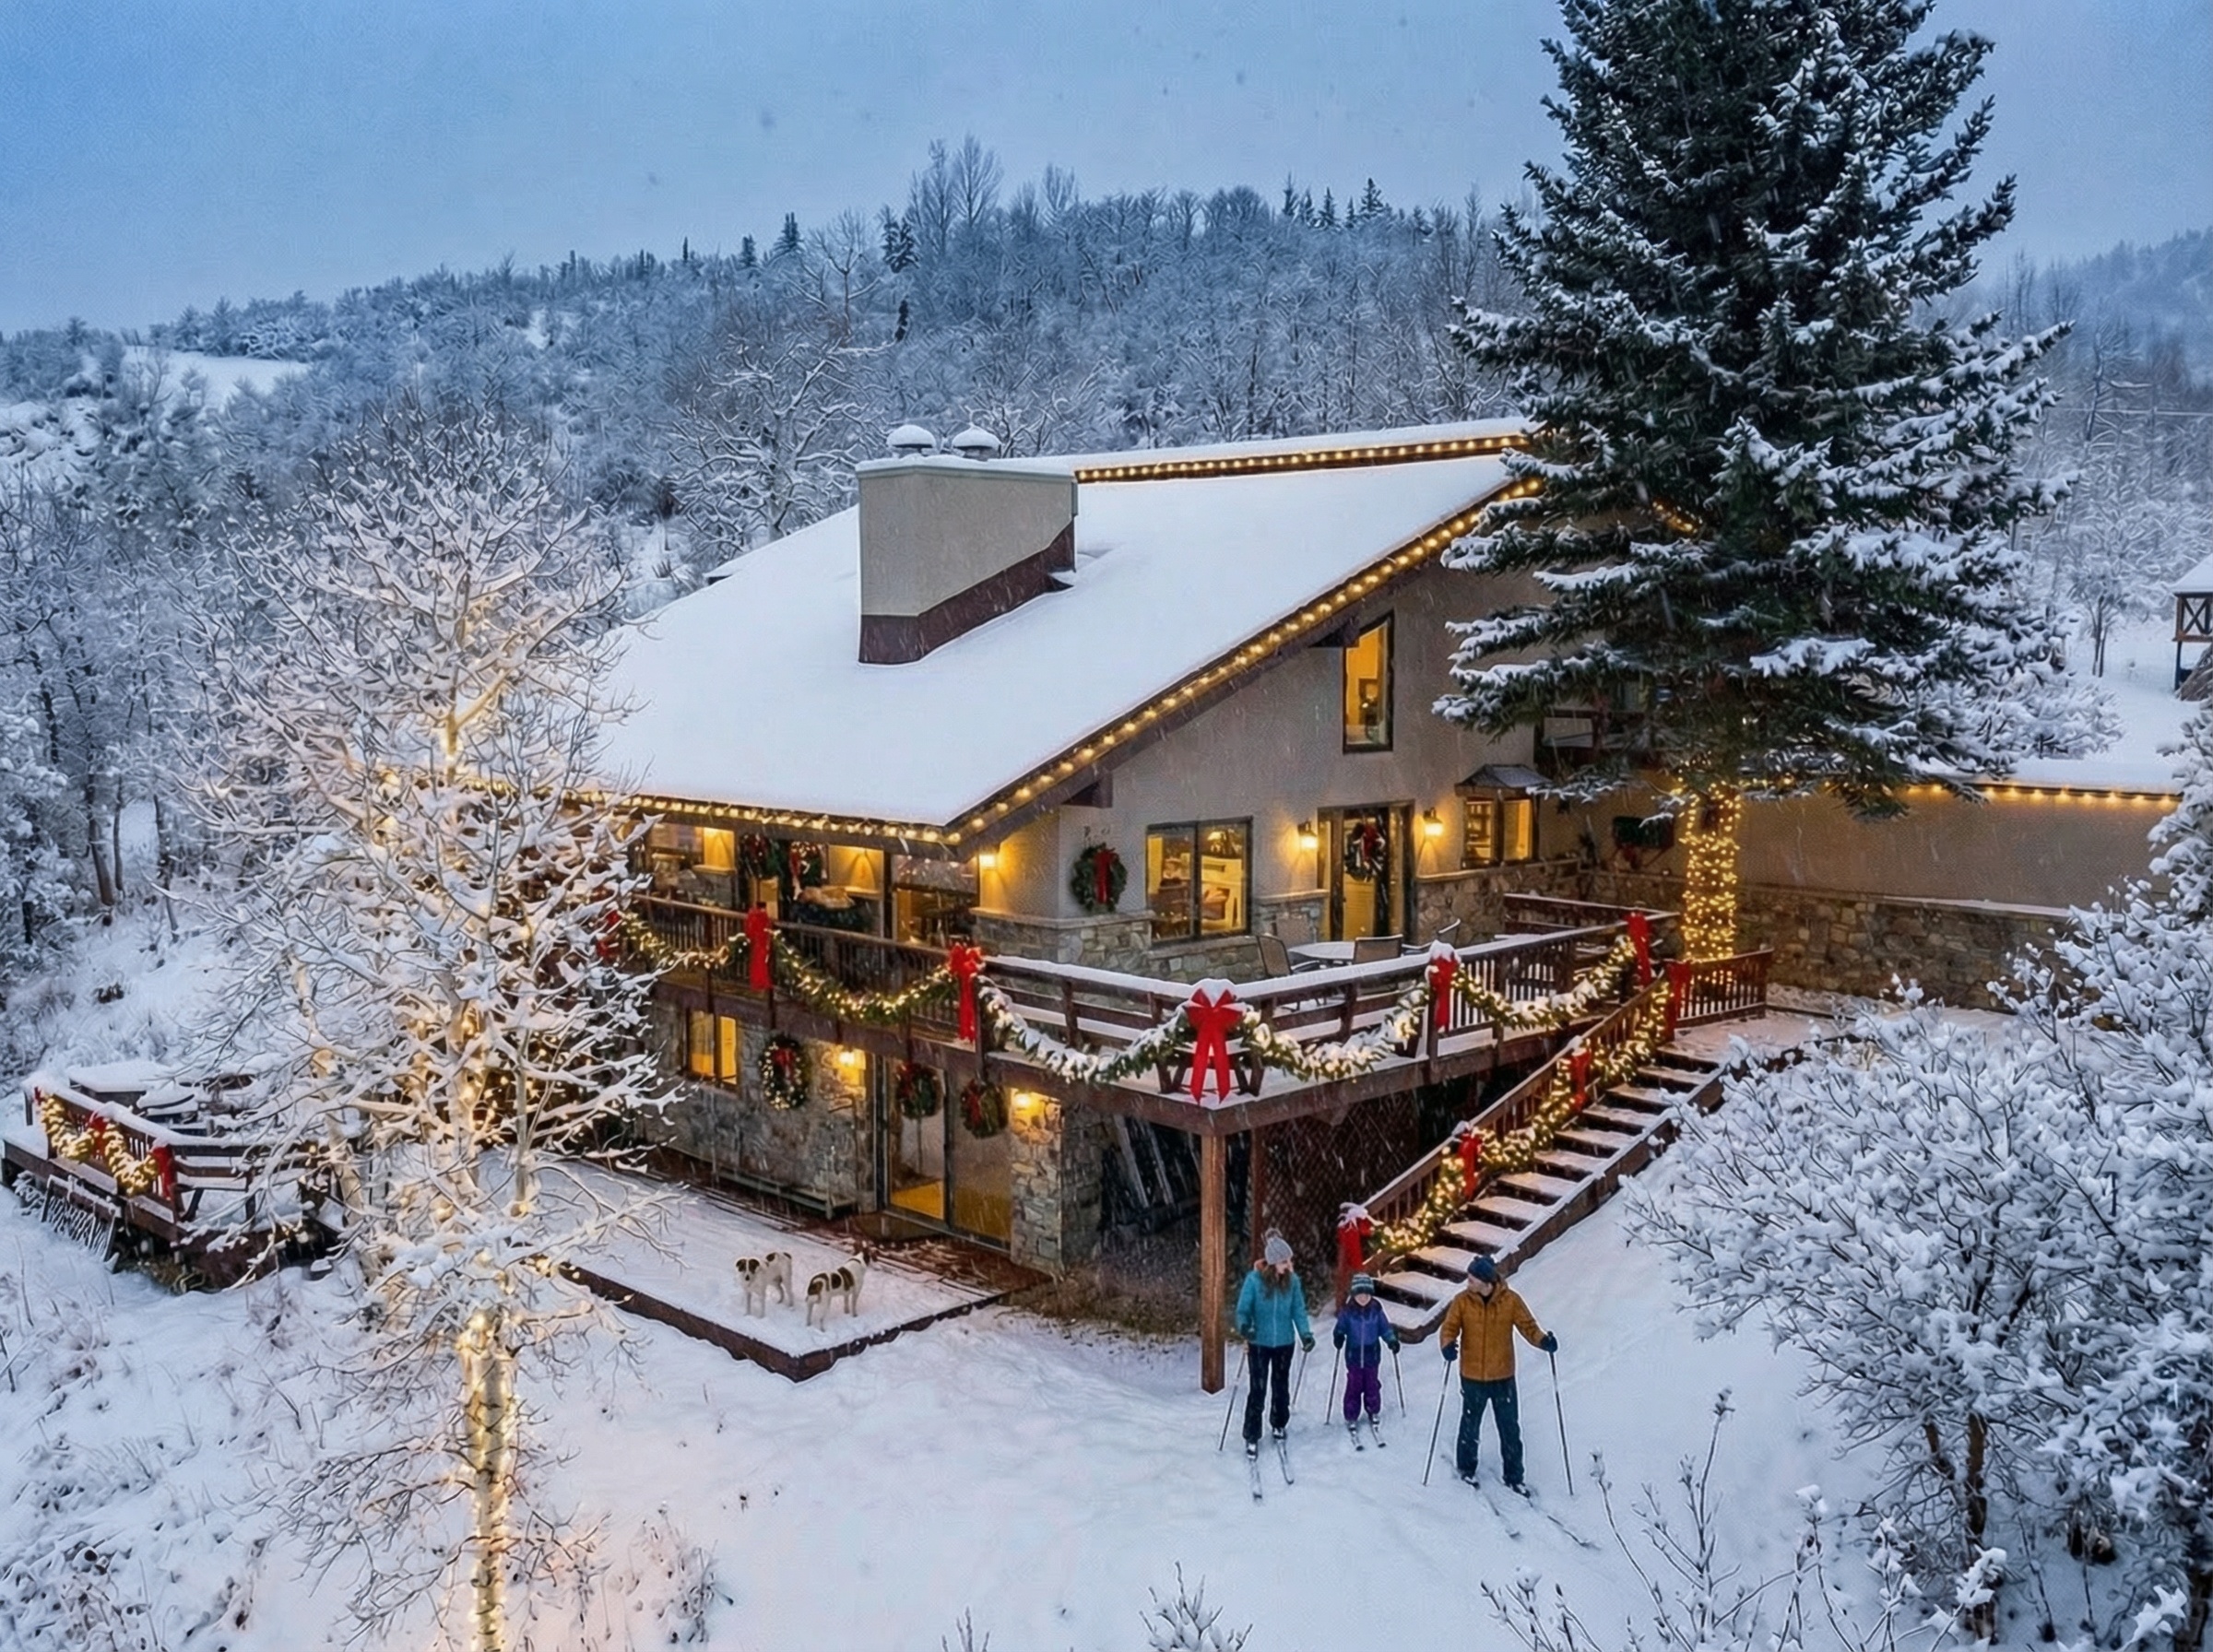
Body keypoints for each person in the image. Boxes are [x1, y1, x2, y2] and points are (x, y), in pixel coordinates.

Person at [1437, 1254, 1556, 1493]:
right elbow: (1449, 1327)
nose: (1467, 1283)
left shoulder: (1510, 1301)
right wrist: (1448, 1345)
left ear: (1486, 1282)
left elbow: (1528, 1326)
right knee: (1470, 1425)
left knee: (1509, 1427)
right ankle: (1466, 1469)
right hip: (1472, 1376)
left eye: (1472, 1279)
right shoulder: (1462, 1301)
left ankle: (1514, 1476)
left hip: (1503, 1376)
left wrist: (1543, 1341)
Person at [1235, 1231, 1314, 1457]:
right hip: (1259, 1343)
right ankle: (1252, 1434)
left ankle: (1279, 1423)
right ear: (1271, 1263)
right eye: (1284, 1261)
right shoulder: (1254, 1281)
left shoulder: (1293, 1282)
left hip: (1284, 1343)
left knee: (1280, 1387)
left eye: (1289, 1260)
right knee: (1258, 1389)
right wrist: (1245, 1326)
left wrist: (1305, 1334)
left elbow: (1298, 1310)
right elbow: (1243, 1310)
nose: (1289, 1265)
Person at [1331, 1271, 1400, 1443]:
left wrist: (1391, 1340)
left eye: (1367, 1294)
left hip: (1372, 1355)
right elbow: (1341, 1326)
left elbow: (1385, 1328)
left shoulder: (1376, 1310)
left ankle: (1373, 1409)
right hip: (1353, 1356)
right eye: (1360, 1294)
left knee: (1371, 1385)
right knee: (1354, 1386)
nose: (1363, 1298)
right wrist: (1338, 1335)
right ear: (1354, 1295)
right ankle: (1351, 1414)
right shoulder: (1348, 1312)